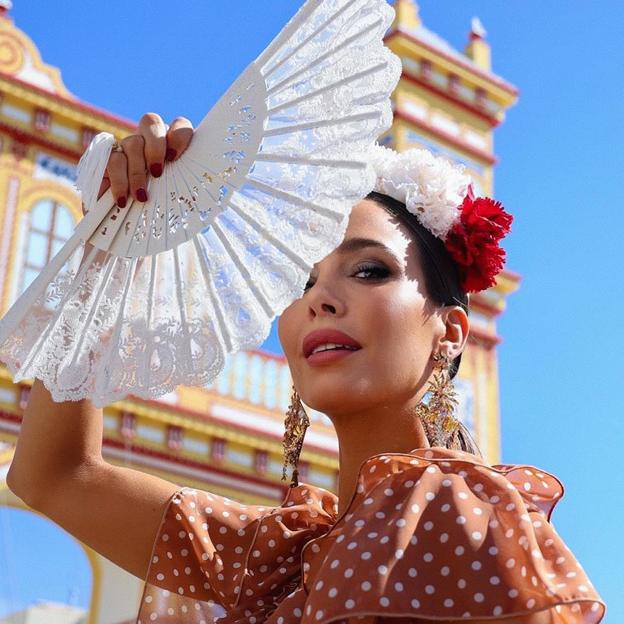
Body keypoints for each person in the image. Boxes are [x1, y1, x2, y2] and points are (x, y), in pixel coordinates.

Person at [6, 113, 606, 623]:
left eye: (369, 270)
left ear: (448, 332)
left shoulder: (462, 515)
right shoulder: (276, 555)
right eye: (303, 281)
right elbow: (53, 476)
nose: (320, 298)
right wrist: (111, 243)